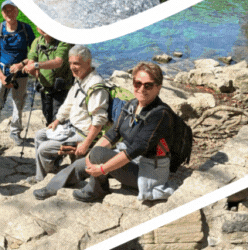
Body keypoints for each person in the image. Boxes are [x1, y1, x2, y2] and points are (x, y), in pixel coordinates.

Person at [73, 62, 176, 204]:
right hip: (133, 162)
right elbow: (112, 134)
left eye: (148, 85)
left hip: (147, 173)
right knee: (90, 157)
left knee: (98, 155)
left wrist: (102, 169)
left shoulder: (160, 114)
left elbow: (135, 150)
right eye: (137, 83)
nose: (141, 89)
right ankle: (56, 184)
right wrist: (91, 156)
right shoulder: (132, 104)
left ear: (158, 87)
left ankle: (97, 190)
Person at [32, 45, 109, 196]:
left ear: (88, 63)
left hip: (81, 133)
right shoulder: (80, 79)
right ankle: (49, 171)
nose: (73, 67)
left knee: (44, 149)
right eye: (71, 63)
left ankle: (43, 179)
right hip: (70, 127)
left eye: (77, 63)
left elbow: (99, 120)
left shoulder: (95, 86)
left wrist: (86, 143)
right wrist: (57, 120)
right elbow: (68, 103)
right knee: (40, 135)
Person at [0, 0, 35, 143]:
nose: (9, 13)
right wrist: (2, 76)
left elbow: (34, 54)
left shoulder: (26, 29)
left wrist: (21, 64)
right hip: (2, 72)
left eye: (12, 10)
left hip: (21, 73)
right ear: (2, 13)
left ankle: (15, 132)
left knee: (19, 102)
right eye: (6, 10)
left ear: (17, 11)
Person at [23, 28, 72, 124]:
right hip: (44, 88)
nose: (44, 28)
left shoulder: (63, 42)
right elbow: (31, 60)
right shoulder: (37, 42)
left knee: (58, 118)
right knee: (47, 115)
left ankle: (56, 136)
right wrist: (31, 68)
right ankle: (50, 134)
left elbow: (58, 62)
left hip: (61, 88)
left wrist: (37, 65)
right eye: (41, 26)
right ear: (37, 28)